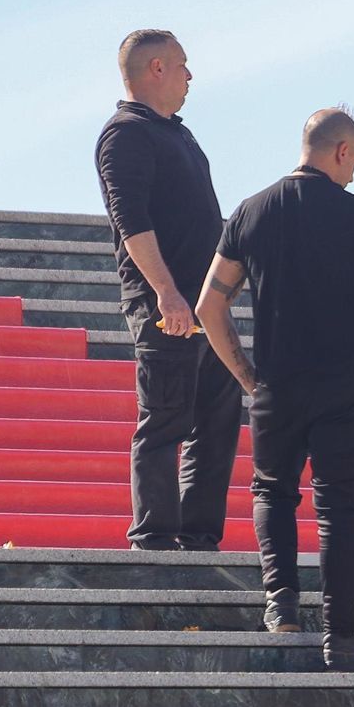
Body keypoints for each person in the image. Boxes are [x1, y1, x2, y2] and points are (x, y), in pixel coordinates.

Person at [195, 106, 354, 672]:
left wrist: (246, 375)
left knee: (273, 492)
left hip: (278, 385)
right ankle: (341, 639)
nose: (353, 173)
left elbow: (208, 305)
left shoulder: (251, 211)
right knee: (339, 508)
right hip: (344, 384)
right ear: (341, 152)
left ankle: (282, 605)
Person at [94, 30, 241, 551]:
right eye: (183, 65)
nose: (189, 76)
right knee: (165, 419)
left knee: (218, 423)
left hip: (208, 307)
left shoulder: (178, 133)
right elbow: (130, 220)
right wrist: (167, 292)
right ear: (156, 68)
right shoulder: (126, 134)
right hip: (168, 306)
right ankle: (154, 538)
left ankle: (199, 535)